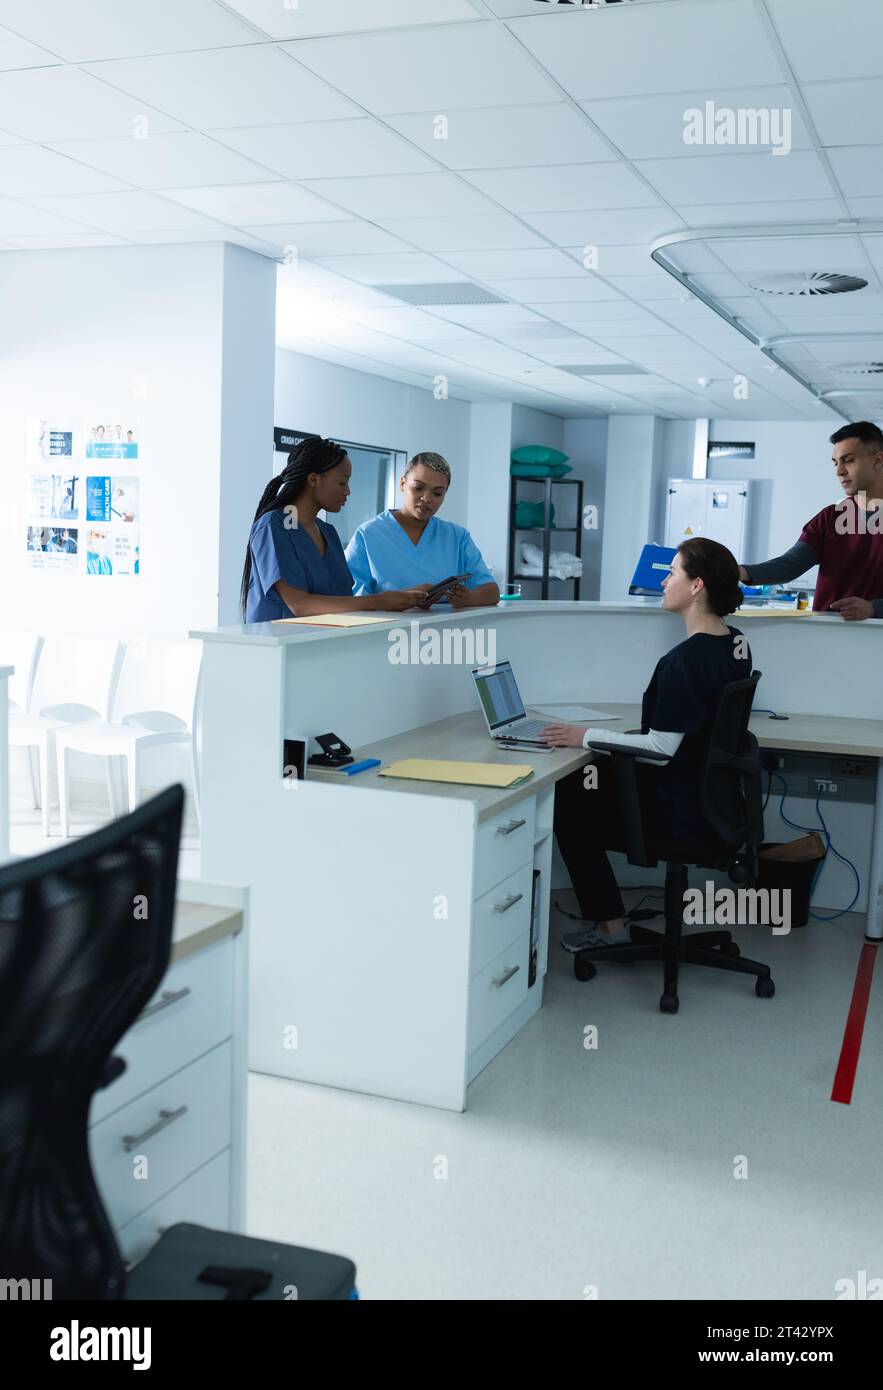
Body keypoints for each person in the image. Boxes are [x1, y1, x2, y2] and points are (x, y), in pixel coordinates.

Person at [542, 537, 752, 952]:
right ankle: (609, 920)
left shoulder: (684, 661)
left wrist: (584, 736)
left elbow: (659, 750)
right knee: (592, 776)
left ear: (696, 586)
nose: (663, 582)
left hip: (680, 806)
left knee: (568, 797)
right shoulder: (736, 642)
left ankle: (609, 927)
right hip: (714, 800)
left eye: (671, 572)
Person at [240, 436, 426, 622]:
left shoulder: (327, 532)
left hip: (322, 644)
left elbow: (342, 602)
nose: (347, 491)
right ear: (313, 480)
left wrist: (403, 598)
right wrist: (379, 601)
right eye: (342, 482)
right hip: (278, 646)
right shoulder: (274, 525)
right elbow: (299, 605)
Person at [738, 422, 883, 620]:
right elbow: (790, 565)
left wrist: (874, 609)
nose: (839, 471)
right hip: (825, 636)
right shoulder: (830, 518)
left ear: (878, 460)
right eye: (835, 463)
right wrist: (738, 571)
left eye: (848, 460)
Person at [345, 452, 499, 609]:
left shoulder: (457, 537)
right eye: (418, 488)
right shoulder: (368, 535)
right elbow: (349, 599)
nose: (427, 498)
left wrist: (468, 599)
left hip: (447, 631)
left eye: (437, 493)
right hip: (386, 630)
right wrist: (398, 600)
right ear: (402, 484)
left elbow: (492, 591)